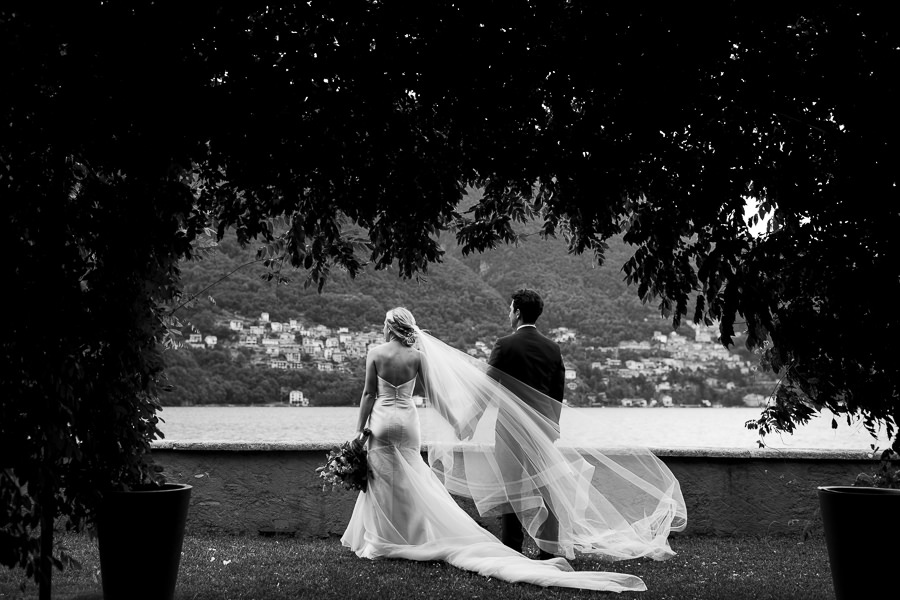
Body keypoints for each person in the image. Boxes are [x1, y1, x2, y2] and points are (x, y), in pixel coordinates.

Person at [341, 307, 687, 592]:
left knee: (387, 479)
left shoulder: (376, 352)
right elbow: (434, 398)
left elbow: (370, 395)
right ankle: (425, 537)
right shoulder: (420, 357)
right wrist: (464, 425)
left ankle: (387, 538)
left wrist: (360, 432)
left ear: (389, 328)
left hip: (387, 422)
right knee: (416, 477)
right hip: (414, 425)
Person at [487, 288, 564, 559]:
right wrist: (552, 429)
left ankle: (511, 547)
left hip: (508, 430)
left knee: (511, 488)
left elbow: (487, 389)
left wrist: (470, 423)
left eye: (510, 309)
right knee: (546, 488)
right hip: (542, 430)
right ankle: (549, 549)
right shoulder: (553, 348)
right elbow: (557, 396)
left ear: (518, 313)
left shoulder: (504, 345)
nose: (509, 313)